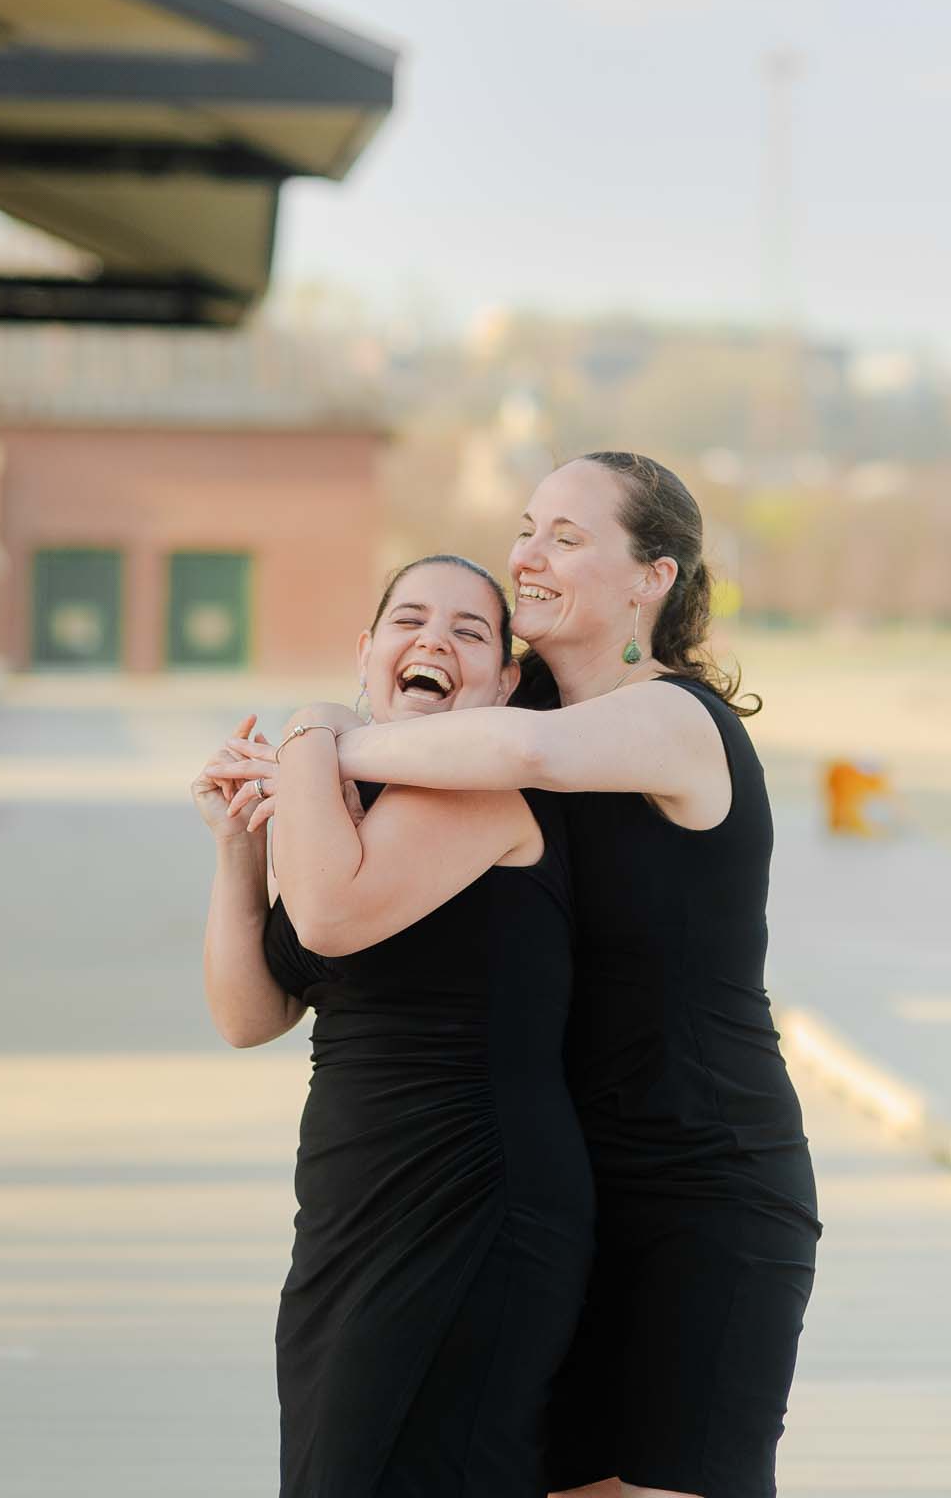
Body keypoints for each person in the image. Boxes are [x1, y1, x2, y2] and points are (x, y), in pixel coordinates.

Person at [228, 452, 819, 1498]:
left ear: (652, 578)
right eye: (526, 526)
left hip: (701, 1181)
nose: (526, 555)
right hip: (564, 1186)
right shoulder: (505, 714)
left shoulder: (669, 719)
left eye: (566, 536)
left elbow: (529, 754)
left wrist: (320, 732)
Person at [194, 554, 594, 1498]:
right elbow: (251, 1015)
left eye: (468, 632)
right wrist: (237, 852)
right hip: (351, 1207)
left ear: (502, 683)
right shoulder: (344, 809)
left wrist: (311, 727)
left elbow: (328, 916)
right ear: (366, 651)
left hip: (468, 1197)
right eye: (409, 620)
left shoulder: (481, 798)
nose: (434, 642)